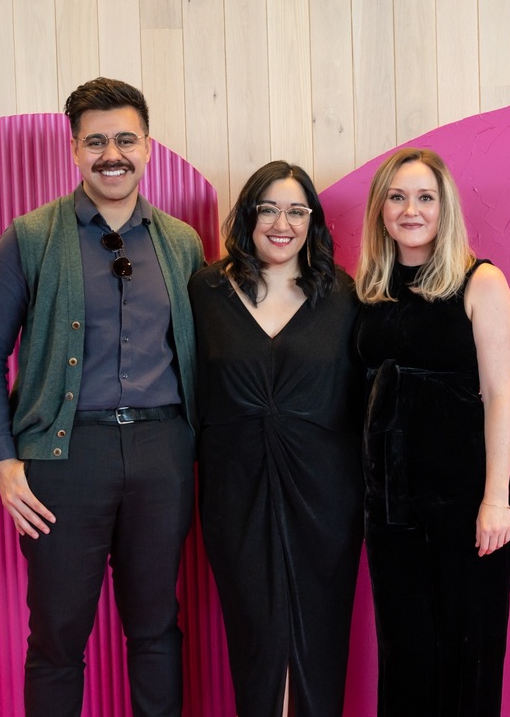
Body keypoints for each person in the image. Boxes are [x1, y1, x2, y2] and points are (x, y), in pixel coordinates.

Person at [0, 77, 204, 717]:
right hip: (65, 461)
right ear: (74, 151)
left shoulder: (181, 244)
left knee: (156, 628)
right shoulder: (32, 237)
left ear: (148, 147)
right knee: (57, 638)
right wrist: (3, 462)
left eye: (125, 139)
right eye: (95, 141)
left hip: (162, 455)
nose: (111, 154)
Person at [188, 161, 364, 716]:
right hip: (234, 494)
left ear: (311, 221)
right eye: (268, 208)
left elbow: (362, 397)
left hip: (326, 499)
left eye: (296, 210)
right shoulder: (206, 290)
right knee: (258, 638)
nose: (281, 223)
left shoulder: (342, 294)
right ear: (248, 216)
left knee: (319, 636)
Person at [354, 147, 510, 716]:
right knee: (404, 660)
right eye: (397, 197)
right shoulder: (370, 290)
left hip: (467, 504)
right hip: (391, 511)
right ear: (381, 209)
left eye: (425, 197)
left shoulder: (480, 281)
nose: (411, 210)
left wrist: (494, 500)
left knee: (465, 658)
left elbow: (501, 397)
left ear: (444, 207)